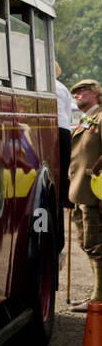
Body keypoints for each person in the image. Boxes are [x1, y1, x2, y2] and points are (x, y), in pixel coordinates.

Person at [67, 77, 102, 312]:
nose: (77, 94)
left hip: (95, 193)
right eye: (75, 92)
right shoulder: (85, 120)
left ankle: (98, 298)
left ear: (95, 93)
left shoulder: (100, 117)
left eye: (82, 91)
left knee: (97, 245)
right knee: (88, 244)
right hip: (81, 192)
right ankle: (97, 294)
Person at [55, 61, 73, 249]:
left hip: (56, 129)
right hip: (64, 131)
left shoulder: (50, 87)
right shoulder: (63, 88)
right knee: (60, 181)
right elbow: (67, 113)